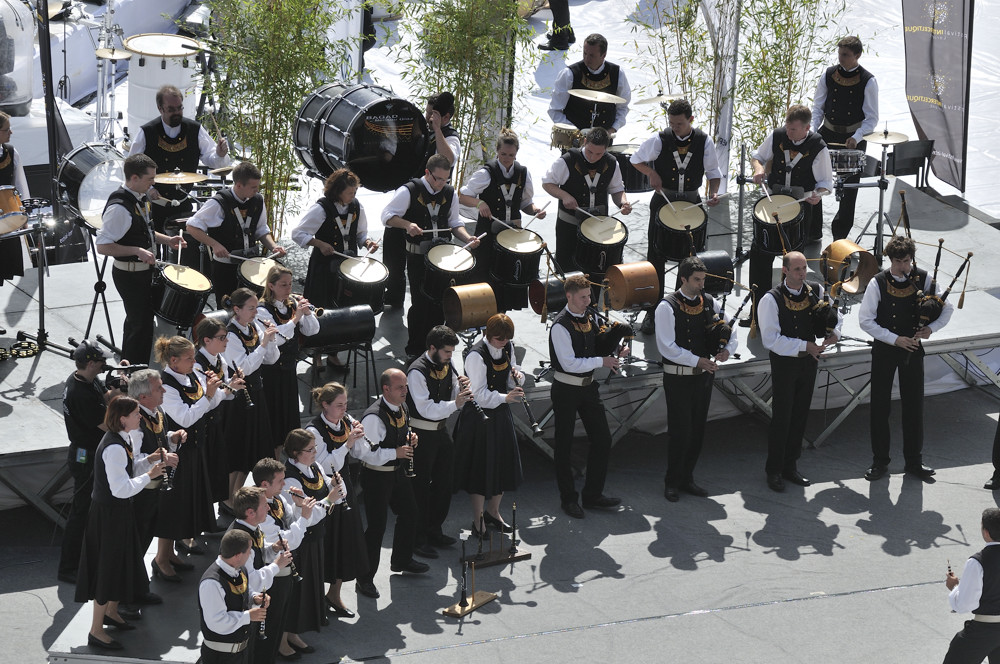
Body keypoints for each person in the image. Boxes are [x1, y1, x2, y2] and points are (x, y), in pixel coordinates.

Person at [75, 396, 170, 650]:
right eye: (137, 414)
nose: (140, 417)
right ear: (122, 418)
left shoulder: (124, 439)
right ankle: (96, 630)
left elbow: (130, 469)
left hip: (119, 512)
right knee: (107, 568)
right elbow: (120, 489)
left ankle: (112, 611)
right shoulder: (114, 447)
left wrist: (147, 461)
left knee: (119, 564)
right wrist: (149, 476)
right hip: (109, 515)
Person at [859, 235, 951, 482]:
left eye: (908, 261)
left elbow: (946, 306)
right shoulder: (877, 282)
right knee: (880, 406)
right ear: (891, 260)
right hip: (886, 350)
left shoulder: (925, 278)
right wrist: (894, 338)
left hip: (913, 349)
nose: (904, 267)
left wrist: (932, 329)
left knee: (914, 406)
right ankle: (880, 461)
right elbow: (865, 320)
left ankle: (914, 461)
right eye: (899, 261)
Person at [631, 99, 722, 334]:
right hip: (664, 201)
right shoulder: (661, 138)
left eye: (679, 123)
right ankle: (653, 312)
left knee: (689, 260)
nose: (675, 127)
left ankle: (681, 309)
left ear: (691, 120)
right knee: (655, 258)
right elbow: (635, 159)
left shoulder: (704, 141)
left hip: (691, 202)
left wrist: (713, 192)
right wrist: (651, 172)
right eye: (671, 122)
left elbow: (714, 173)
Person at [654, 256, 737, 502]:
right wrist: (697, 361)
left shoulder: (709, 301)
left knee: (698, 431)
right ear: (683, 279)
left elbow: (730, 328)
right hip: (678, 378)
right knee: (680, 431)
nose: (702, 284)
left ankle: (687, 478)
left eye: (703, 279)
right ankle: (672, 481)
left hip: (702, 378)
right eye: (697, 280)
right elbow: (666, 347)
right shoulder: (666, 306)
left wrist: (726, 351)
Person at [380, 153, 480, 358]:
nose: (442, 184)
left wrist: (467, 237)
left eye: (446, 179)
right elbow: (387, 216)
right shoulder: (409, 191)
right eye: (438, 179)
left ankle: (437, 349)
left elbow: (454, 223)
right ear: (427, 173)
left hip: (443, 258)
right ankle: (415, 350)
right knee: (421, 304)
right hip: (418, 257)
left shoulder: (449, 193)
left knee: (442, 302)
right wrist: (407, 224)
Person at [757, 251, 841, 492]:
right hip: (785, 364)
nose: (802, 273)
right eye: (797, 269)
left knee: (800, 414)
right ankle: (773, 470)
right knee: (782, 417)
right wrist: (805, 345)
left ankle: (790, 466)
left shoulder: (816, 290)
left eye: (804, 268)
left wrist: (835, 334)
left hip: (809, 362)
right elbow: (770, 340)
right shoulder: (771, 299)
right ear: (785, 270)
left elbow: (836, 316)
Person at [548, 274, 626, 518]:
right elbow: (569, 363)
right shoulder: (560, 325)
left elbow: (596, 345)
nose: (588, 301)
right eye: (582, 297)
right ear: (569, 296)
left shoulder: (589, 317)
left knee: (603, 439)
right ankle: (568, 499)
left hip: (588, 387)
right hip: (566, 389)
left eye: (589, 296)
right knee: (564, 445)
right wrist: (602, 361)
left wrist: (615, 347)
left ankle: (593, 495)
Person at [95, 153, 186, 364]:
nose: (153, 183)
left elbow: (143, 231)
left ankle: (128, 364)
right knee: (141, 326)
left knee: (137, 322)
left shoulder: (139, 198)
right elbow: (102, 246)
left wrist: (168, 240)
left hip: (142, 273)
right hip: (129, 275)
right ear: (134, 178)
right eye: (150, 179)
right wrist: (137, 251)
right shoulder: (119, 208)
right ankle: (135, 373)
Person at [747, 106, 834, 323]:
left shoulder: (818, 146)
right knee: (759, 254)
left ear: (806, 128)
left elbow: (825, 183)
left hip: (800, 206)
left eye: (793, 129)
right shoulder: (778, 135)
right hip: (773, 201)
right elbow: (757, 156)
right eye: (787, 127)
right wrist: (758, 169)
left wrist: (817, 195)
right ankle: (757, 308)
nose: (788, 132)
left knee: (793, 259)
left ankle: (789, 308)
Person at [384, 92, 461, 309]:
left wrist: (437, 129)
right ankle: (394, 294)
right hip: (411, 193)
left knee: (419, 254)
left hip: (430, 200)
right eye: (427, 112)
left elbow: (448, 158)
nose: (428, 117)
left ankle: (424, 298)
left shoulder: (450, 136)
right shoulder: (421, 127)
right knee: (393, 246)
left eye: (433, 115)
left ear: (445, 117)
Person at [128, 84, 229, 247]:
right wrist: (148, 190)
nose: (177, 113)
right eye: (171, 109)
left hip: (183, 201)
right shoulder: (147, 132)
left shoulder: (195, 129)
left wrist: (220, 154)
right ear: (160, 109)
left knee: (187, 246)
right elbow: (132, 167)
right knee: (152, 245)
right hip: (154, 204)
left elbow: (213, 161)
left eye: (179, 108)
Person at [156, 335, 230, 560]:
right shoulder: (166, 385)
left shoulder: (193, 374)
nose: (193, 361)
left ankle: (178, 547)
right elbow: (185, 418)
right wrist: (207, 395)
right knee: (176, 504)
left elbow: (211, 404)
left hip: (197, 447)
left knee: (191, 500)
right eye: (189, 358)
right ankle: (164, 556)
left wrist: (218, 388)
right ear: (173, 361)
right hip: (179, 452)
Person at [458, 129, 547, 311]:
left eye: (511, 155)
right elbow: (462, 196)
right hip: (488, 233)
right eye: (503, 154)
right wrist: (479, 202)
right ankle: (484, 316)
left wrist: (536, 210)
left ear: (516, 154)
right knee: (485, 275)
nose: (507, 158)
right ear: (497, 151)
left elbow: (525, 203)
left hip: (512, 235)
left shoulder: (522, 173)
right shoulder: (486, 173)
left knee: (508, 278)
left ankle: (502, 318)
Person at [356, 368, 426, 599]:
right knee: (376, 528)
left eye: (405, 386)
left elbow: (401, 430)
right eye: (400, 387)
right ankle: (364, 579)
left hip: (395, 472)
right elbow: (366, 454)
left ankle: (401, 560)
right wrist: (395, 452)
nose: (405, 391)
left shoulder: (401, 406)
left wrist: (410, 437)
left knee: (411, 512)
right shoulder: (374, 417)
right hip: (376, 476)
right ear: (386, 389)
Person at [453, 314, 525, 536]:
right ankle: (478, 520)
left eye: (506, 339)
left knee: (501, 464)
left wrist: (517, 378)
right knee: (480, 470)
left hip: (500, 415)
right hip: (479, 417)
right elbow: (479, 395)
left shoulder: (507, 346)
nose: (503, 342)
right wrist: (506, 398)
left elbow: (511, 375)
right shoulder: (476, 356)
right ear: (488, 334)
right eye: (498, 338)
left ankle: (494, 512)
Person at [303, 382, 370, 619]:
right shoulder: (314, 431)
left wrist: (359, 439)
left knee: (344, 541)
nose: (344, 409)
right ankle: (314, 597)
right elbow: (324, 465)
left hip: (345, 487)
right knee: (324, 543)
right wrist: (348, 443)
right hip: (323, 491)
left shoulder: (345, 423)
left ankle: (334, 593)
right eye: (339, 405)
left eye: (345, 405)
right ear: (325, 405)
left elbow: (361, 454)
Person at [406, 325, 471, 558]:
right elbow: (425, 409)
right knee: (420, 487)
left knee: (445, 482)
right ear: (432, 348)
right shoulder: (416, 371)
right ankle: (417, 537)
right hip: (421, 434)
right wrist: (456, 404)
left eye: (452, 352)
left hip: (441, 431)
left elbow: (451, 391)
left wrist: (459, 390)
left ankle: (435, 529)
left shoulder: (445, 365)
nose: (449, 356)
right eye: (446, 352)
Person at [185, 162, 287, 308]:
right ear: (239, 185)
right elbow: (192, 226)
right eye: (253, 187)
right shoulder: (218, 203)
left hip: (251, 266)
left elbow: (261, 230)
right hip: (226, 267)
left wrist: (274, 247)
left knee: (254, 307)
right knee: (229, 308)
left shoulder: (257, 200)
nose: (257, 190)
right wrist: (214, 244)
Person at [251, 456, 319, 661]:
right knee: (273, 618)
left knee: (285, 610)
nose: (285, 484)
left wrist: (299, 507)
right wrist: (305, 516)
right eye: (280, 481)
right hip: (272, 571)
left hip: (286, 566)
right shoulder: (258, 507)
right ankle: (272, 651)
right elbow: (289, 539)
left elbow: (291, 522)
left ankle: (283, 641)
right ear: (265, 484)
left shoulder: (278, 499)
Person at [58, 341, 115, 585]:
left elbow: (104, 397)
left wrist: (116, 387)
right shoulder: (80, 393)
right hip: (85, 456)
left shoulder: (84, 379)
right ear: (91, 363)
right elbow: (107, 425)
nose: (104, 364)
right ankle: (68, 567)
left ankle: (84, 558)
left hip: (89, 452)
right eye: (101, 361)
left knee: (88, 511)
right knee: (81, 512)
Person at [812, 35, 879, 241]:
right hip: (827, 133)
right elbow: (817, 107)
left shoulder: (868, 81)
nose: (840, 58)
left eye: (846, 55)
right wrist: (813, 132)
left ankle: (839, 236)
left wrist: (857, 136)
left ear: (857, 55)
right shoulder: (828, 74)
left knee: (848, 188)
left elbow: (872, 118)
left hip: (853, 137)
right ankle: (812, 231)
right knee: (814, 179)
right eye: (840, 54)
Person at [281, 430, 344, 649]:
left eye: (315, 448)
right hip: (301, 542)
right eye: (310, 450)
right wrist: (330, 500)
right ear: (296, 453)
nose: (315, 452)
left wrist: (337, 485)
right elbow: (305, 516)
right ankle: (289, 635)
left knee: (310, 584)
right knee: (297, 590)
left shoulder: (313, 466)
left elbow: (330, 485)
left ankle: (298, 629)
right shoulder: (290, 478)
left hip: (315, 538)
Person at [541, 127, 631, 279]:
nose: (593, 157)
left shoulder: (611, 162)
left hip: (598, 226)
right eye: (590, 151)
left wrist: (623, 202)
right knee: (567, 269)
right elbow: (547, 183)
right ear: (584, 142)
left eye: (599, 154)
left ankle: (593, 301)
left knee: (596, 268)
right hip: (570, 224)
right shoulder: (567, 160)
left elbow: (616, 189)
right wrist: (564, 195)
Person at [127, 370, 190, 582]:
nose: (164, 390)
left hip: (156, 491)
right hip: (140, 496)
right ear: (143, 397)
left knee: (144, 541)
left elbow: (160, 439)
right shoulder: (134, 423)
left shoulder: (156, 411)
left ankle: (137, 588)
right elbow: (133, 465)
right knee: (135, 544)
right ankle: (125, 596)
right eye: (158, 388)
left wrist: (173, 437)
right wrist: (159, 458)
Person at [222, 288, 279, 506]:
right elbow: (242, 368)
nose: (256, 312)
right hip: (238, 398)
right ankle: (228, 498)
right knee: (237, 449)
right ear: (236, 309)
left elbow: (271, 360)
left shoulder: (253, 327)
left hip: (257, 393)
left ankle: (236, 495)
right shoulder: (230, 335)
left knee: (251, 449)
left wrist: (271, 341)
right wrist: (263, 344)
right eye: (251, 308)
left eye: (256, 307)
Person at [291, 168, 378, 310]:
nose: (353, 195)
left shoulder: (356, 206)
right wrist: (319, 243)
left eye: (355, 191)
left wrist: (368, 243)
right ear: (338, 191)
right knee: (322, 306)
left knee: (347, 306)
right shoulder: (321, 209)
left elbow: (361, 234)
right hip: (324, 268)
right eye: (350, 192)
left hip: (349, 267)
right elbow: (297, 234)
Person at [256, 264, 320, 454]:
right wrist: (295, 318)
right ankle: (274, 459)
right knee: (275, 420)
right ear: (271, 286)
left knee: (290, 419)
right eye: (283, 285)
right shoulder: (262, 310)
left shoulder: (292, 305)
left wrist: (307, 313)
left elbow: (312, 330)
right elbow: (277, 337)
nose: (288, 289)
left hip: (289, 369)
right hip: (271, 373)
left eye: (290, 284)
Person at [226, 487, 292, 661]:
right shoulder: (241, 540)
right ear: (250, 512)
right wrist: (277, 566)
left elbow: (259, 555)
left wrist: (273, 549)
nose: (269, 508)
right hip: (242, 607)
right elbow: (251, 580)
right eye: (264, 506)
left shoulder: (253, 528)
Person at [193, 317, 244, 509]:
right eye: (222, 338)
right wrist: (228, 389)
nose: (226, 341)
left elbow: (224, 394)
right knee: (203, 473)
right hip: (202, 426)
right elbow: (208, 401)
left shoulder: (219, 359)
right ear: (207, 340)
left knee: (217, 469)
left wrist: (234, 386)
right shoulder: (198, 365)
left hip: (217, 421)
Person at [197, 529, 268, 664]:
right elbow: (217, 622)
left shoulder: (240, 569)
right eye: (249, 550)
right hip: (221, 657)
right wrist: (248, 616)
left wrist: (254, 598)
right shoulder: (212, 583)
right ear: (238, 556)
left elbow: (246, 590)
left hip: (241, 653)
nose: (251, 553)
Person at [942, 508, 1000, 663]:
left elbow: (964, 605)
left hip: (984, 630)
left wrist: (955, 588)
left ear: (986, 533)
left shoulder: (977, 562)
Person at [547, 33, 631, 132]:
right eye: (585, 53)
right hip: (573, 139)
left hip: (603, 141)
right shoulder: (569, 74)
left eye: (592, 55)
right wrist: (575, 132)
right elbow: (554, 110)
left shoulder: (618, 74)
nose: (587, 59)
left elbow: (623, 106)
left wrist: (612, 130)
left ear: (603, 55)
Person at [0, 111, 30, 286]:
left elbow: (20, 185)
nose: (10, 133)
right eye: (6, 130)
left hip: (5, 222)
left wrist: (23, 214)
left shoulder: (11, 152)